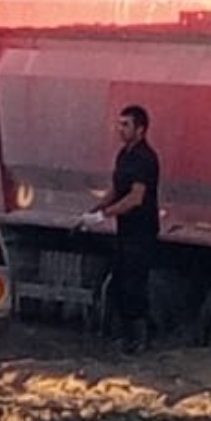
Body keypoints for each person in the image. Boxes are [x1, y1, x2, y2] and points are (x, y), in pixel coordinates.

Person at [84, 103, 160, 353]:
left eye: (126, 125)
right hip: (125, 231)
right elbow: (117, 190)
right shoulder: (124, 155)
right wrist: (95, 210)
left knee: (135, 284)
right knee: (119, 282)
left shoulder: (146, 159)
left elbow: (135, 198)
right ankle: (125, 335)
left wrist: (104, 215)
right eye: (119, 124)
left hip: (142, 232)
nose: (120, 129)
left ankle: (141, 338)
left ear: (141, 129)